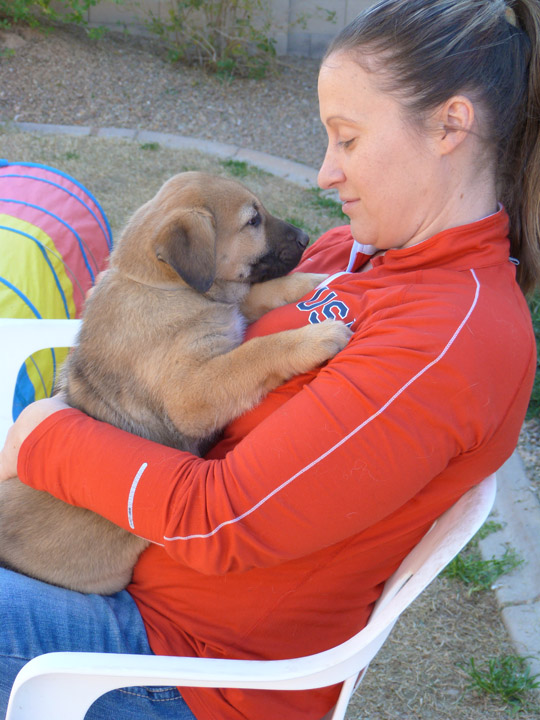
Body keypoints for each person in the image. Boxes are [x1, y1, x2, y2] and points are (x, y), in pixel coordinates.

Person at [1, 0, 539, 718]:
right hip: (125, 564)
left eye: (347, 139)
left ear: (449, 125)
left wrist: (42, 437)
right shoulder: (365, 256)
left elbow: (226, 521)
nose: (324, 173)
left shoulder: (450, 339)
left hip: (179, 661)